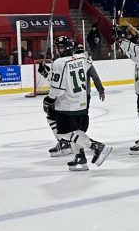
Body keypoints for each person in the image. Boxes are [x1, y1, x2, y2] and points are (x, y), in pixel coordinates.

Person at [43, 36, 112, 171]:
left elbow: (58, 87)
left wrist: (49, 99)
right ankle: (80, 157)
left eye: (59, 47)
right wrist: (48, 73)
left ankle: (96, 146)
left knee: (65, 133)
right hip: (82, 102)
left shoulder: (59, 62)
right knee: (77, 132)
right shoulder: (83, 58)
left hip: (66, 104)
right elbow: (69, 74)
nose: (58, 49)